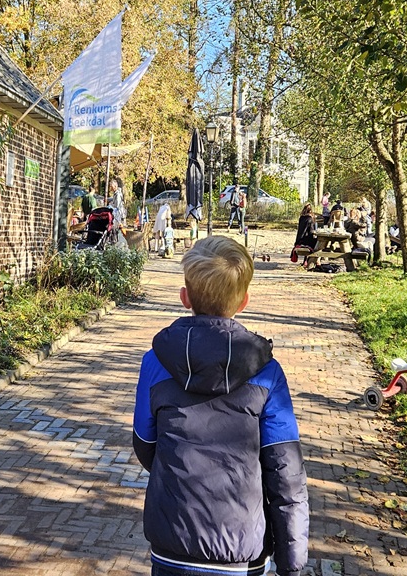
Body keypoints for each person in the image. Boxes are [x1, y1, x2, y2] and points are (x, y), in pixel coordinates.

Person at [133, 236, 309, 576]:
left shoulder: (155, 363)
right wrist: (292, 564)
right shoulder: (268, 373)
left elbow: (146, 444)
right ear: (243, 301)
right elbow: (286, 474)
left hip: (173, 543)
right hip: (242, 550)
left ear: (185, 297)